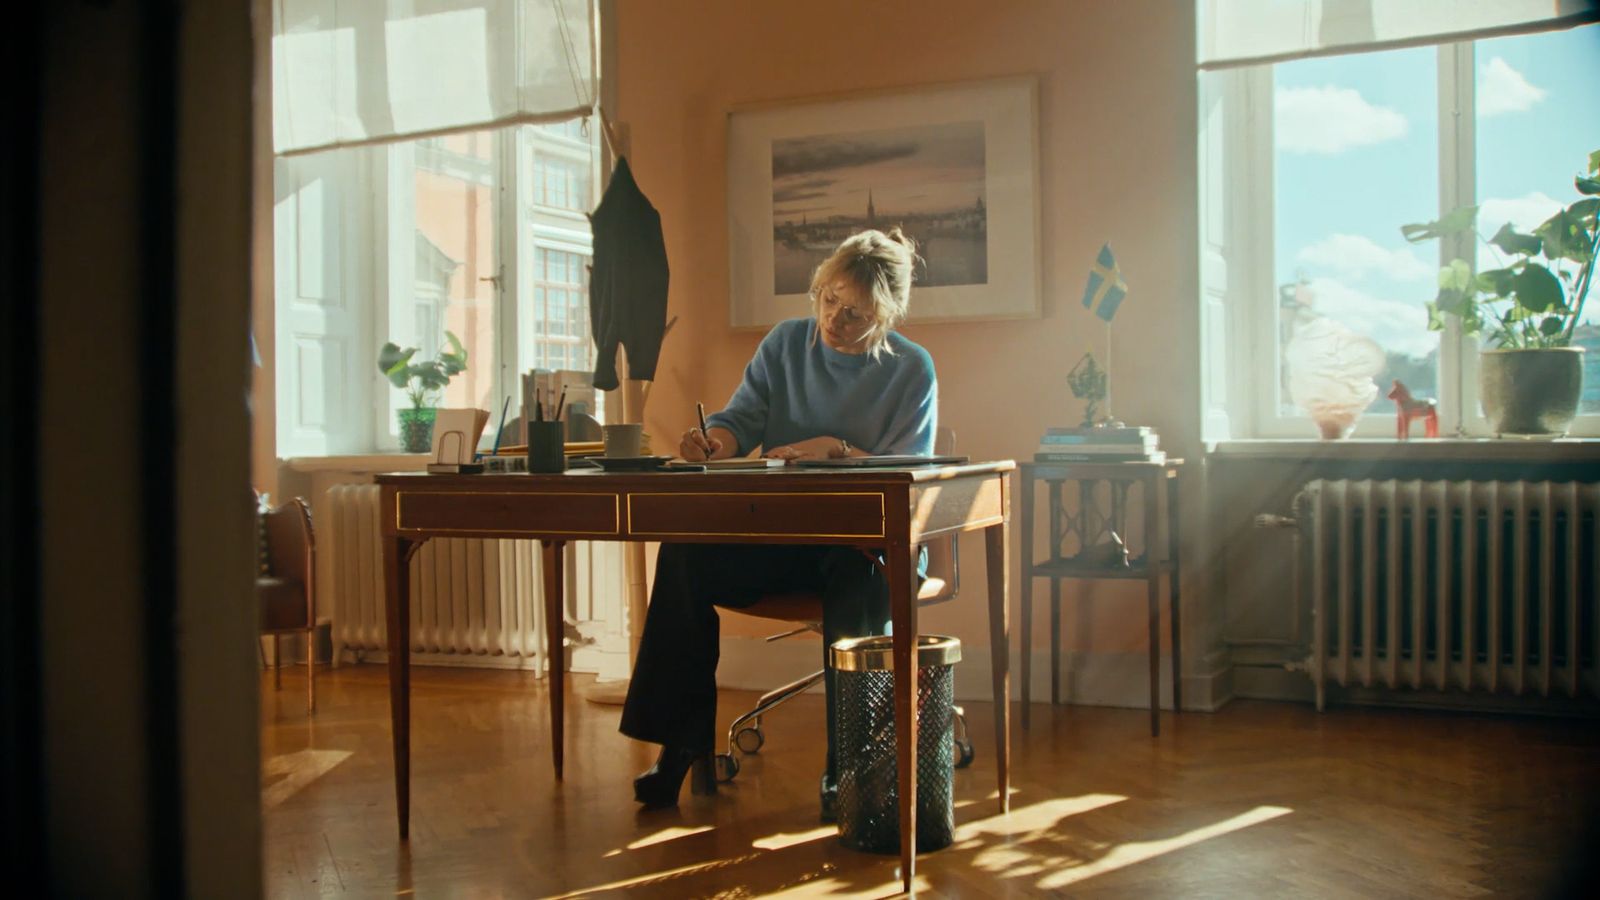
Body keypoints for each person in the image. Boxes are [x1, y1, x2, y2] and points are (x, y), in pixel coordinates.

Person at [619, 227, 937, 819]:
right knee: (685, 552)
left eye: (856, 313)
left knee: (858, 574)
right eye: (829, 302)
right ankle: (680, 746)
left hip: (867, 543)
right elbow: (741, 417)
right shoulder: (786, 343)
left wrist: (836, 449)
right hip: (784, 535)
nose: (836, 320)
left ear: (886, 315)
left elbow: (910, 469)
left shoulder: (912, 369)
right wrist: (713, 441)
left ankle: (853, 772)